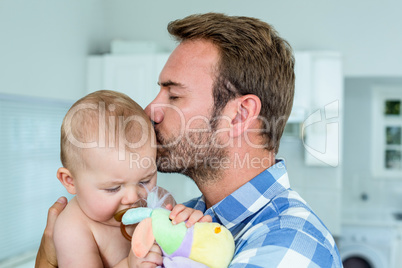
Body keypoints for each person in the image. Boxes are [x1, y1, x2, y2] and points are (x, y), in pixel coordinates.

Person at [36, 13, 342, 268]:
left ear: (239, 115)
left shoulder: (289, 244)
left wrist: (48, 261)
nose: (148, 111)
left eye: (174, 95)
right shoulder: (184, 216)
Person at [51, 90, 210, 268]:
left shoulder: (159, 202)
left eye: (145, 181)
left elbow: (179, 245)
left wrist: (189, 224)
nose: (133, 198)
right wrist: (128, 265)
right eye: (113, 188)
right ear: (70, 181)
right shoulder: (73, 229)